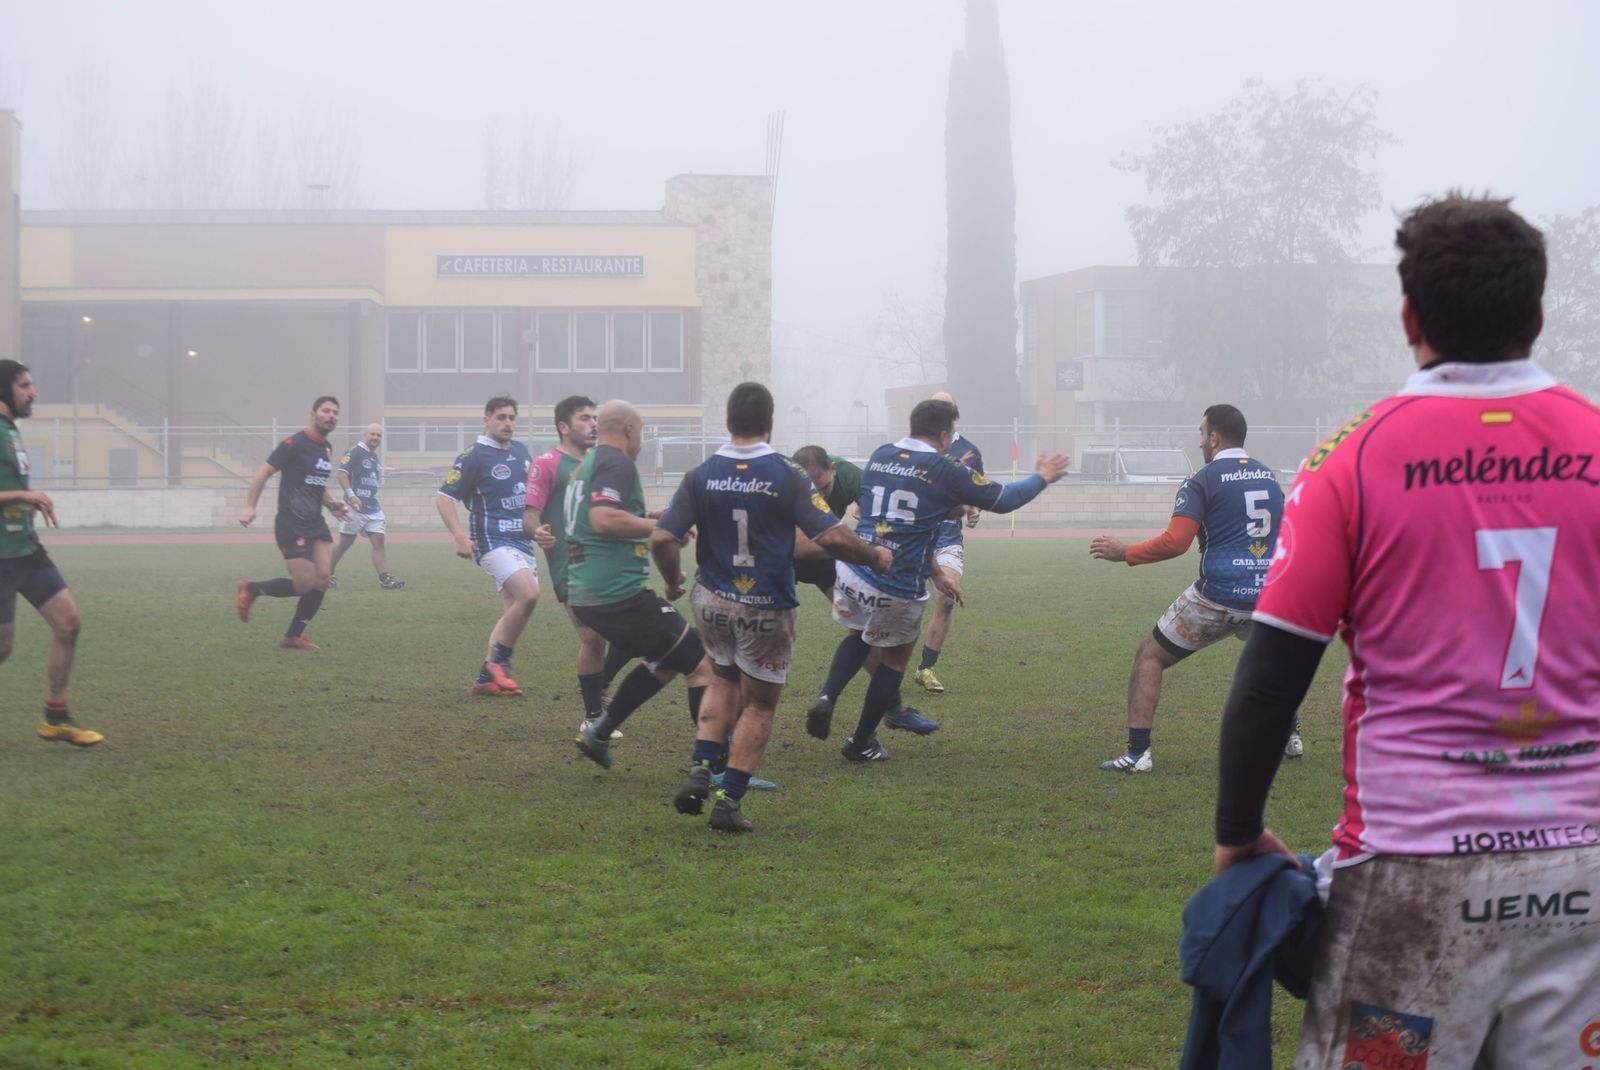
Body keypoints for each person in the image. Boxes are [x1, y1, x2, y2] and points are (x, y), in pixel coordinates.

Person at [1212, 194, 1600, 1068]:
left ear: (1408, 316)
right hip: (1581, 878)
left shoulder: (1352, 458)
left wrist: (1238, 830)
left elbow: (1271, 677)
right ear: (1537, 315)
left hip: (1409, 882)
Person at [653, 383, 891, 832]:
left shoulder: (701, 474)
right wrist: (874, 555)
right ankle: (728, 803)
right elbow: (831, 536)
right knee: (760, 705)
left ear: (728, 422)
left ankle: (701, 767)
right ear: (770, 423)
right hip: (765, 605)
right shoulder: (786, 474)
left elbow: (663, 537)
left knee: (721, 678)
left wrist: (672, 579)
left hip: (711, 598)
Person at [808, 399, 1068, 762]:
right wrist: (1043, 476)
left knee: (858, 636)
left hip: (854, 570)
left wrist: (937, 571)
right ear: (945, 435)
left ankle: (826, 696)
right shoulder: (944, 467)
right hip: (896, 581)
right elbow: (1005, 500)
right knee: (895, 662)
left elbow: (908, 520)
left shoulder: (881, 453)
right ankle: (861, 740)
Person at [1088, 404, 1285, 773]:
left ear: (1214, 437)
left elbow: (1175, 542)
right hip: (1268, 594)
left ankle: (1137, 754)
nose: (1199, 442)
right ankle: (1289, 734)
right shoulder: (1269, 477)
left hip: (1219, 596)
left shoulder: (1203, 480)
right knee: (1273, 661)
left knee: (1149, 657)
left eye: (1201, 433)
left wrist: (1124, 553)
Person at [570, 400, 713, 769]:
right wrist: (663, 527)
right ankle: (713, 768)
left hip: (589, 591)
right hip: (615, 593)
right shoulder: (615, 461)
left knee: (664, 661)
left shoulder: (588, 462)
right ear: (630, 430)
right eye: (643, 431)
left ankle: (599, 733)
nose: (642, 440)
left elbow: (598, 519)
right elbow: (603, 520)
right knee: (701, 665)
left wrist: (646, 518)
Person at [0, 361, 99, 745]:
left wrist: (27, 504)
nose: (33, 392)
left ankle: (55, 718)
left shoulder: (11, 431)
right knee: (3, 649)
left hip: (26, 550)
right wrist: (25, 495)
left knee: (68, 623)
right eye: (25, 386)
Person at [524, 394, 617, 735]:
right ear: (564, 426)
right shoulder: (546, 463)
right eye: (584, 418)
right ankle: (594, 716)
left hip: (605, 562)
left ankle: (599, 691)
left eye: (595, 417)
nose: (593, 423)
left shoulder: (598, 463)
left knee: (623, 634)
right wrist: (539, 532)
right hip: (571, 565)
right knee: (592, 635)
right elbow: (529, 517)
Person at [435, 396, 537, 697]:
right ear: (486, 420)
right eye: (501, 417)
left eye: (512, 418)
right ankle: (500, 666)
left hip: (523, 541)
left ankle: (486, 678)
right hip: (492, 540)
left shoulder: (520, 451)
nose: (508, 423)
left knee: (514, 614)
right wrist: (458, 535)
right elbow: (444, 498)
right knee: (529, 595)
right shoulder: (474, 456)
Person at [237, 396, 349, 651]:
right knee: (305, 584)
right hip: (291, 523)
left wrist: (332, 506)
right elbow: (263, 472)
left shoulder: (326, 448)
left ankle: (292, 637)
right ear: (313, 414)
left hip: (315, 522)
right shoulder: (293, 444)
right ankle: (251, 589)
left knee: (323, 578)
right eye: (326, 411)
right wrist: (249, 505)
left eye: (335, 412)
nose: (331, 415)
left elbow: (316, 486)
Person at [913, 390, 983, 694]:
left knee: (946, 598)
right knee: (901, 605)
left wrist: (973, 508)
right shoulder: (914, 448)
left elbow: (976, 491)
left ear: (954, 415)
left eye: (946, 408)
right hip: (913, 534)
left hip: (947, 535)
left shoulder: (969, 451)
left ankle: (926, 668)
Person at [329, 422, 404, 590]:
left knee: (379, 541)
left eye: (378, 435)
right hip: (354, 508)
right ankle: (326, 574)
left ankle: (385, 579)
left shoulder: (373, 457)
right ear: (365, 435)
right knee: (344, 543)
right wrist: (352, 495)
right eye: (372, 434)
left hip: (373, 508)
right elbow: (342, 474)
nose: (375, 438)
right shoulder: (355, 452)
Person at [790, 445, 864, 597]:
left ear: (833, 469)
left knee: (854, 609)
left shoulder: (848, 476)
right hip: (780, 556)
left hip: (824, 552)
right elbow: (796, 546)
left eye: (825, 487)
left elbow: (879, 520)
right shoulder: (784, 484)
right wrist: (861, 549)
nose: (822, 498)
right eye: (813, 492)